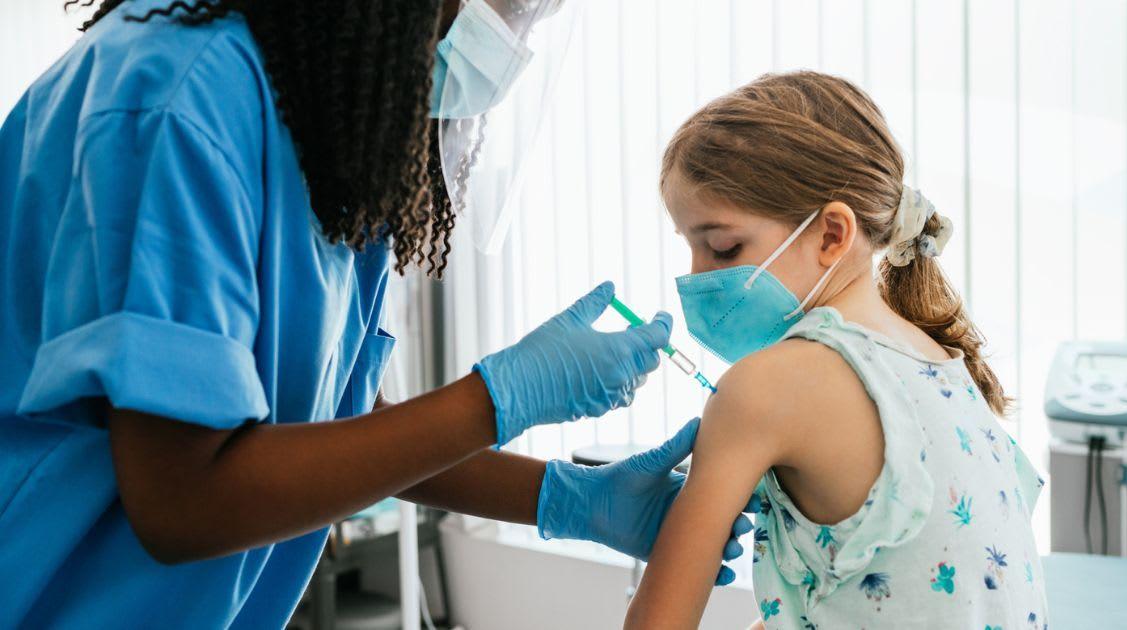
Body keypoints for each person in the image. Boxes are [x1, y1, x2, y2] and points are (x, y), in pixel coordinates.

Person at [0, 1, 749, 627]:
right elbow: (181, 501)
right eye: (507, 5)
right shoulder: (179, 102)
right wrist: (496, 400)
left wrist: (567, 499)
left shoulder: (328, 120)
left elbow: (340, 428)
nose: (509, 41)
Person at [624, 71, 1048, 629]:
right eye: (691, 248)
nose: (696, 279)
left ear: (831, 234)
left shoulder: (765, 387)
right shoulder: (940, 358)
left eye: (723, 247)